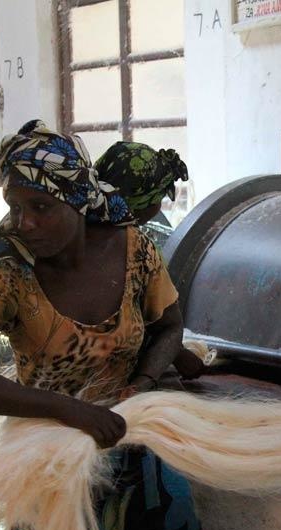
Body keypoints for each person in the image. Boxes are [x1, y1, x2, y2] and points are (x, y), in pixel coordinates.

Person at [0, 120, 208, 530]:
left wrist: (142, 383)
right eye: (14, 206)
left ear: (77, 201)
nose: (24, 223)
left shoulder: (133, 246)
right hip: (52, 472)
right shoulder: (6, 265)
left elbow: (168, 326)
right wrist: (68, 410)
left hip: (135, 460)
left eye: (41, 207)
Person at [94, 141, 209, 381]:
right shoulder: (136, 247)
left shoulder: (74, 233)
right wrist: (144, 383)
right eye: (156, 199)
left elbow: (157, 321)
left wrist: (176, 354)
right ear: (141, 204)